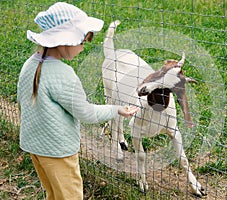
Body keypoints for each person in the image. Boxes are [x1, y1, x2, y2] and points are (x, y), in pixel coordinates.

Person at [17, 2, 138, 200]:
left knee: (54, 194)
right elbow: (86, 113)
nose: (82, 48)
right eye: (82, 42)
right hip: (58, 152)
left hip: (35, 147)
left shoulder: (29, 65)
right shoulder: (64, 74)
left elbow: (22, 102)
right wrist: (116, 109)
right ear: (66, 41)